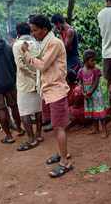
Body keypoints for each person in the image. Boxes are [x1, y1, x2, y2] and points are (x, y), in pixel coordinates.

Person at [22, 14, 73, 178]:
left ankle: (65, 162)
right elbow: (40, 57)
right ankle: (61, 153)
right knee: (55, 126)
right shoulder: (45, 42)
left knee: (59, 128)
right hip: (49, 90)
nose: (33, 34)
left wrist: (27, 55)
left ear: (44, 29)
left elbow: (42, 65)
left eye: (35, 30)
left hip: (56, 91)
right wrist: (29, 51)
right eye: (32, 31)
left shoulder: (54, 43)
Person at [12, 22, 43, 151]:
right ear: (30, 31)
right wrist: (36, 76)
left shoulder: (17, 45)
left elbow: (20, 65)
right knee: (38, 110)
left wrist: (30, 75)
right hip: (38, 81)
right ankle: (39, 135)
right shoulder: (36, 43)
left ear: (17, 33)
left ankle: (31, 139)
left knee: (24, 111)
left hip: (25, 83)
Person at [78, 49, 110, 138]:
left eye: (95, 60)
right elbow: (81, 83)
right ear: (86, 61)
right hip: (87, 95)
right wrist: (83, 92)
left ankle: (104, 130)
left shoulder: (96, 70)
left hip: (96, 95)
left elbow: (96, 83)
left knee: (99, 112)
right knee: (92, 112)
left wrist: (90, 92)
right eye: (92, 60)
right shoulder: (81, 71)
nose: (94, 62)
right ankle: (95, 128)